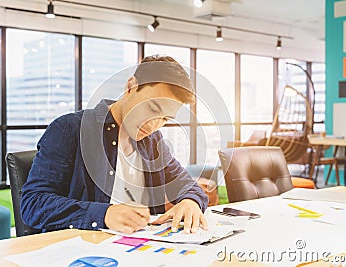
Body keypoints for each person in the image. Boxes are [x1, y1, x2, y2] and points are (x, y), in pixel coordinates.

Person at [21, 55, 208, 235]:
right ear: (130, 86)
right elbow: (33, 204)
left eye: (165, 119)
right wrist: (104, 214)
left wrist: (190, 201)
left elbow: (187, 185)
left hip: (143, 250)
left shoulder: (153, 142)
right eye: (151, 108)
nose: (153, 125)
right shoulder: (69, 129)